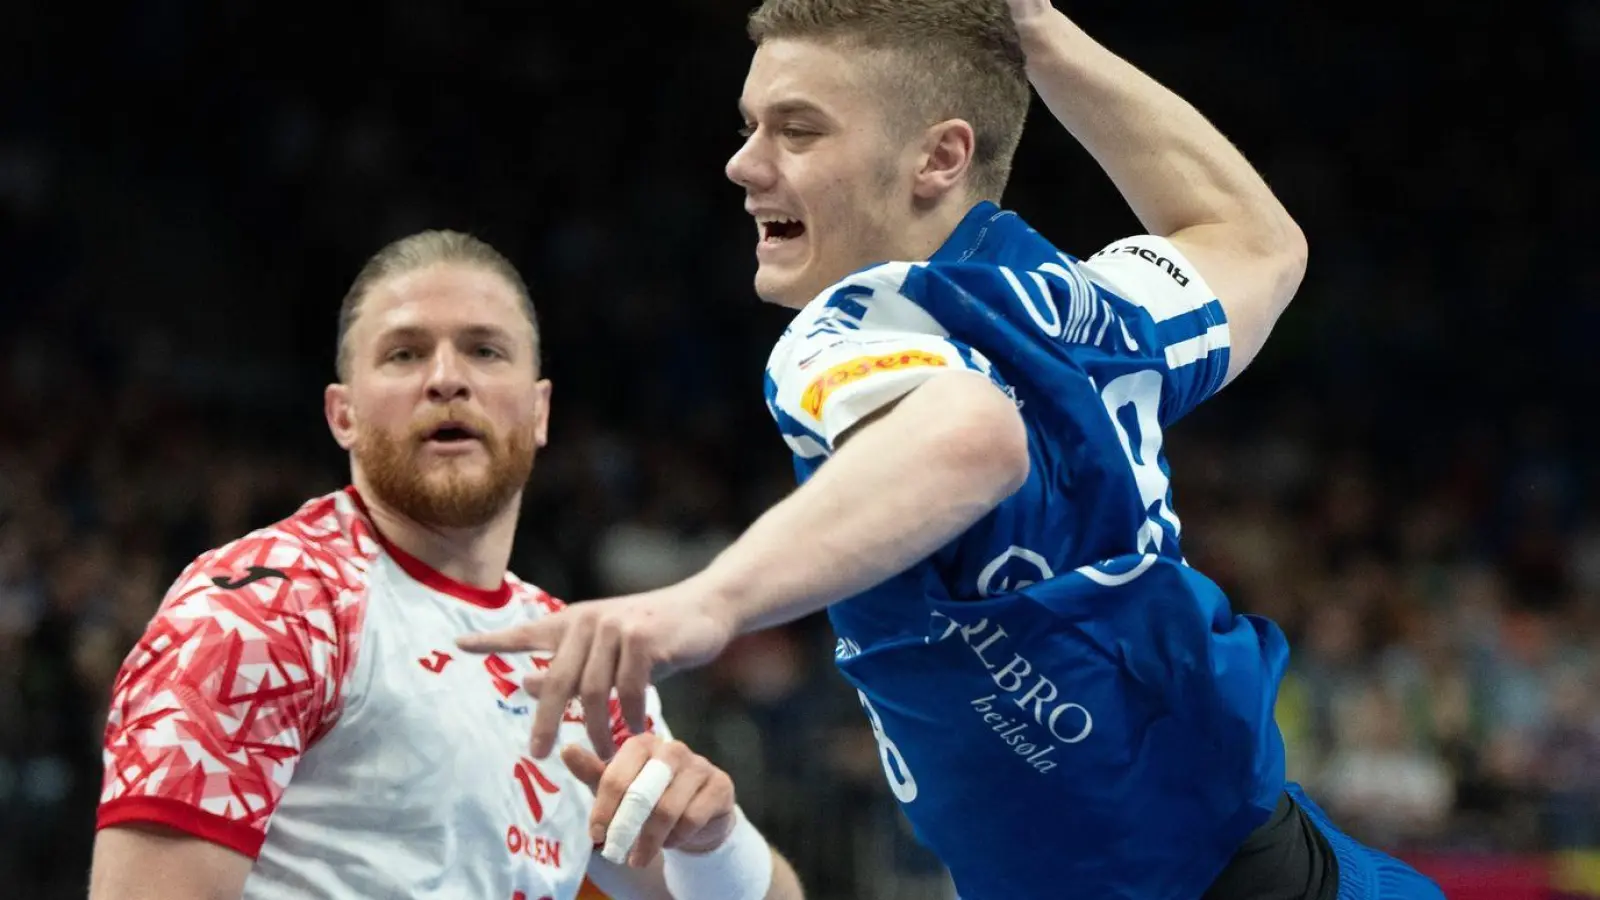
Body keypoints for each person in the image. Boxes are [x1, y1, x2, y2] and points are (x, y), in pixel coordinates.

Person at [459, 2, 1446, 899]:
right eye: (749, 125)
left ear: (937, 159)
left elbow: (972, 436)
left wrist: (698, 604)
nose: (744, 163)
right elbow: (1254, 240)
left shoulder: (849, 325)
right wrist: (1039, 31)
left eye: (797, 129)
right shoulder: (1082, 306)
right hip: (1317, 871)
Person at [87, 230, 803, 900]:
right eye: (403, 354)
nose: (446, 379)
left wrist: (711, 841)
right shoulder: (262, 609)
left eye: (485, 351)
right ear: (343, 415)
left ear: (539, 409)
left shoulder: (572, 656)